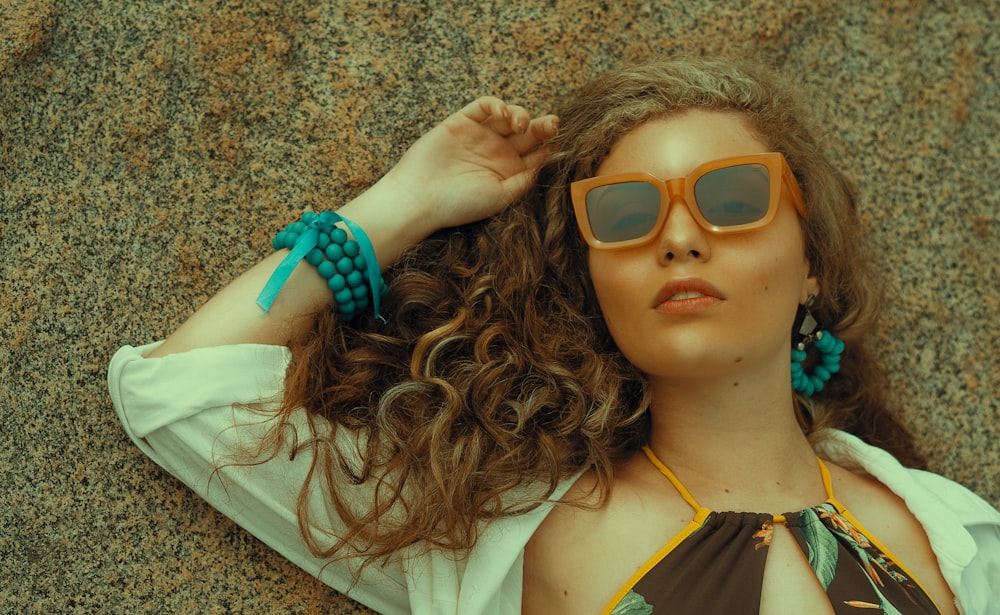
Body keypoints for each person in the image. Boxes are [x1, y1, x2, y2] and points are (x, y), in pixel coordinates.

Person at [108, 56, 1000, 614]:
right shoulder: (510, 528)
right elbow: (180, 389)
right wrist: (404, 203)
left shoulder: (956, 535)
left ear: (813, 261)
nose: (680, 236)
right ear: (592, 276)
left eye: (732, 200)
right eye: (626, 212)